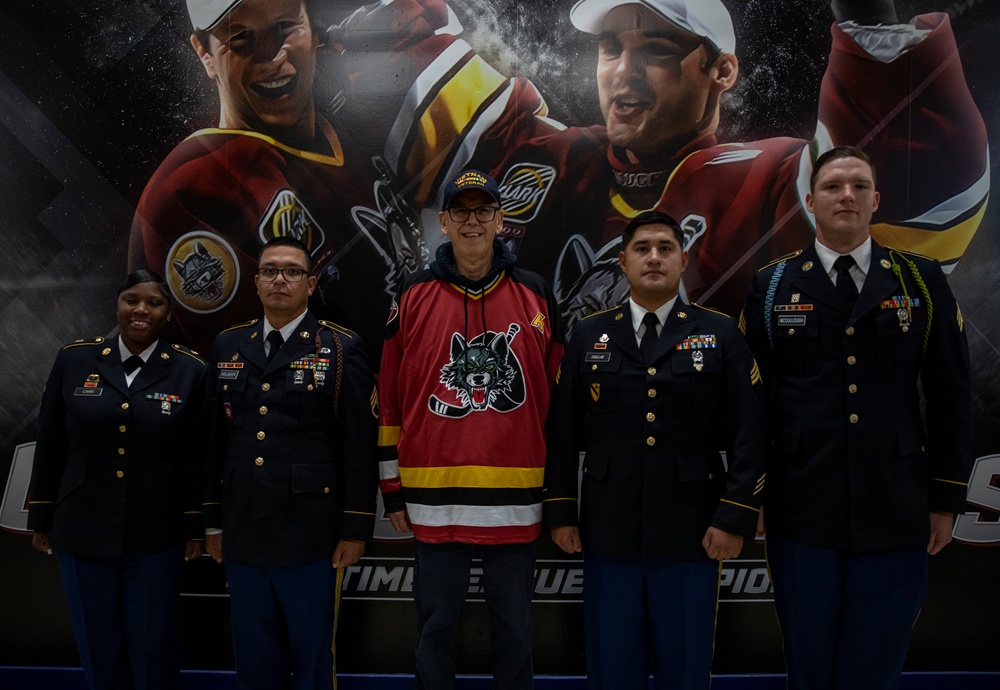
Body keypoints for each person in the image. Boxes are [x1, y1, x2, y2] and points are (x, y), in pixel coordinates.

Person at [334, 0, 988, 331]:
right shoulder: (542, 154)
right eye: (612, 48)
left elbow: (913, 188)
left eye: (656, 49)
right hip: (531, 486)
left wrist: (870, 24)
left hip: (690, 494)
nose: (625, 70)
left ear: (722, 70)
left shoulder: (766, 179)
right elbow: (400, 59)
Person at [740, 146, 974, 689]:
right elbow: (752, 403)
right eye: (833, 186)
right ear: (810, 201)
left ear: (876, 201)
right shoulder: (771, 285)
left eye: (859, 186)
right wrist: (750, 493)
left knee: (875, 667)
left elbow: (950, 394)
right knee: (810, 665)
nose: (847, 195)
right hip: (801, 507)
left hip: (896, 504)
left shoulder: (920, 281)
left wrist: (945, 497)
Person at [128, 0, 426, 361]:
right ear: (204, 53)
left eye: (286, 27)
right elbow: (262, 379)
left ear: (313, 27)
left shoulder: (352, 113)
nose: (271, 55)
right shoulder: (190, 190)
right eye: (241, 38)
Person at [544, 211, 768, 689]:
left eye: (665, 248)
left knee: (685, 668)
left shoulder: (720, 333)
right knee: (612, 667)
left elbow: (753, 430)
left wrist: (734, 515)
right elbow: (561, 429)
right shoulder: (588, 334)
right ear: (622, 262)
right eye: (642, 248)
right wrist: (561, 510)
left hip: (692, 533)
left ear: (683, 260)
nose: (653, 257)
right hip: (609, 532)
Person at [377, 170, 563, 689]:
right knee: (435, 629)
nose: (473, 221)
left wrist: (560, 496)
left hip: (517, 502)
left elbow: (559, 401)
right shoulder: (413, 296)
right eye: (461, 211)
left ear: (501, 220)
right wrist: (392, 491)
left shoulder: (536, 294)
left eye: (484, 210)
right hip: (436, 504)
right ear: (444, 222)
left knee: (515, 632)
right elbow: (389, 398)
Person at [201, 236, 379, 690]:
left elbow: (359, 445)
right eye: (269, 271)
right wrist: (212, 523)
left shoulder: (340, 348)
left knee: (313, 655)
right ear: (256, 282)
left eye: (292, 271)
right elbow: (212, 442)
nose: (280, 279)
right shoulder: (227, 345)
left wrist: (356, 528)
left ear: (311, 282)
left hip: (311, 536)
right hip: (243, 531)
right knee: (255, 657)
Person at [27, 270, 206, 690]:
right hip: (82, 528)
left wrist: (196, 525)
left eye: (154, 303)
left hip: (156, 533)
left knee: (153, 648)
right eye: (131, 300)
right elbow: (51, 440)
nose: (141, 310)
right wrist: (42, 516)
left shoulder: (190, 370)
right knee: (98, 645)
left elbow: (198, 458)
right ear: (118, 304)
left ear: (167, 313)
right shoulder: (75, 359)